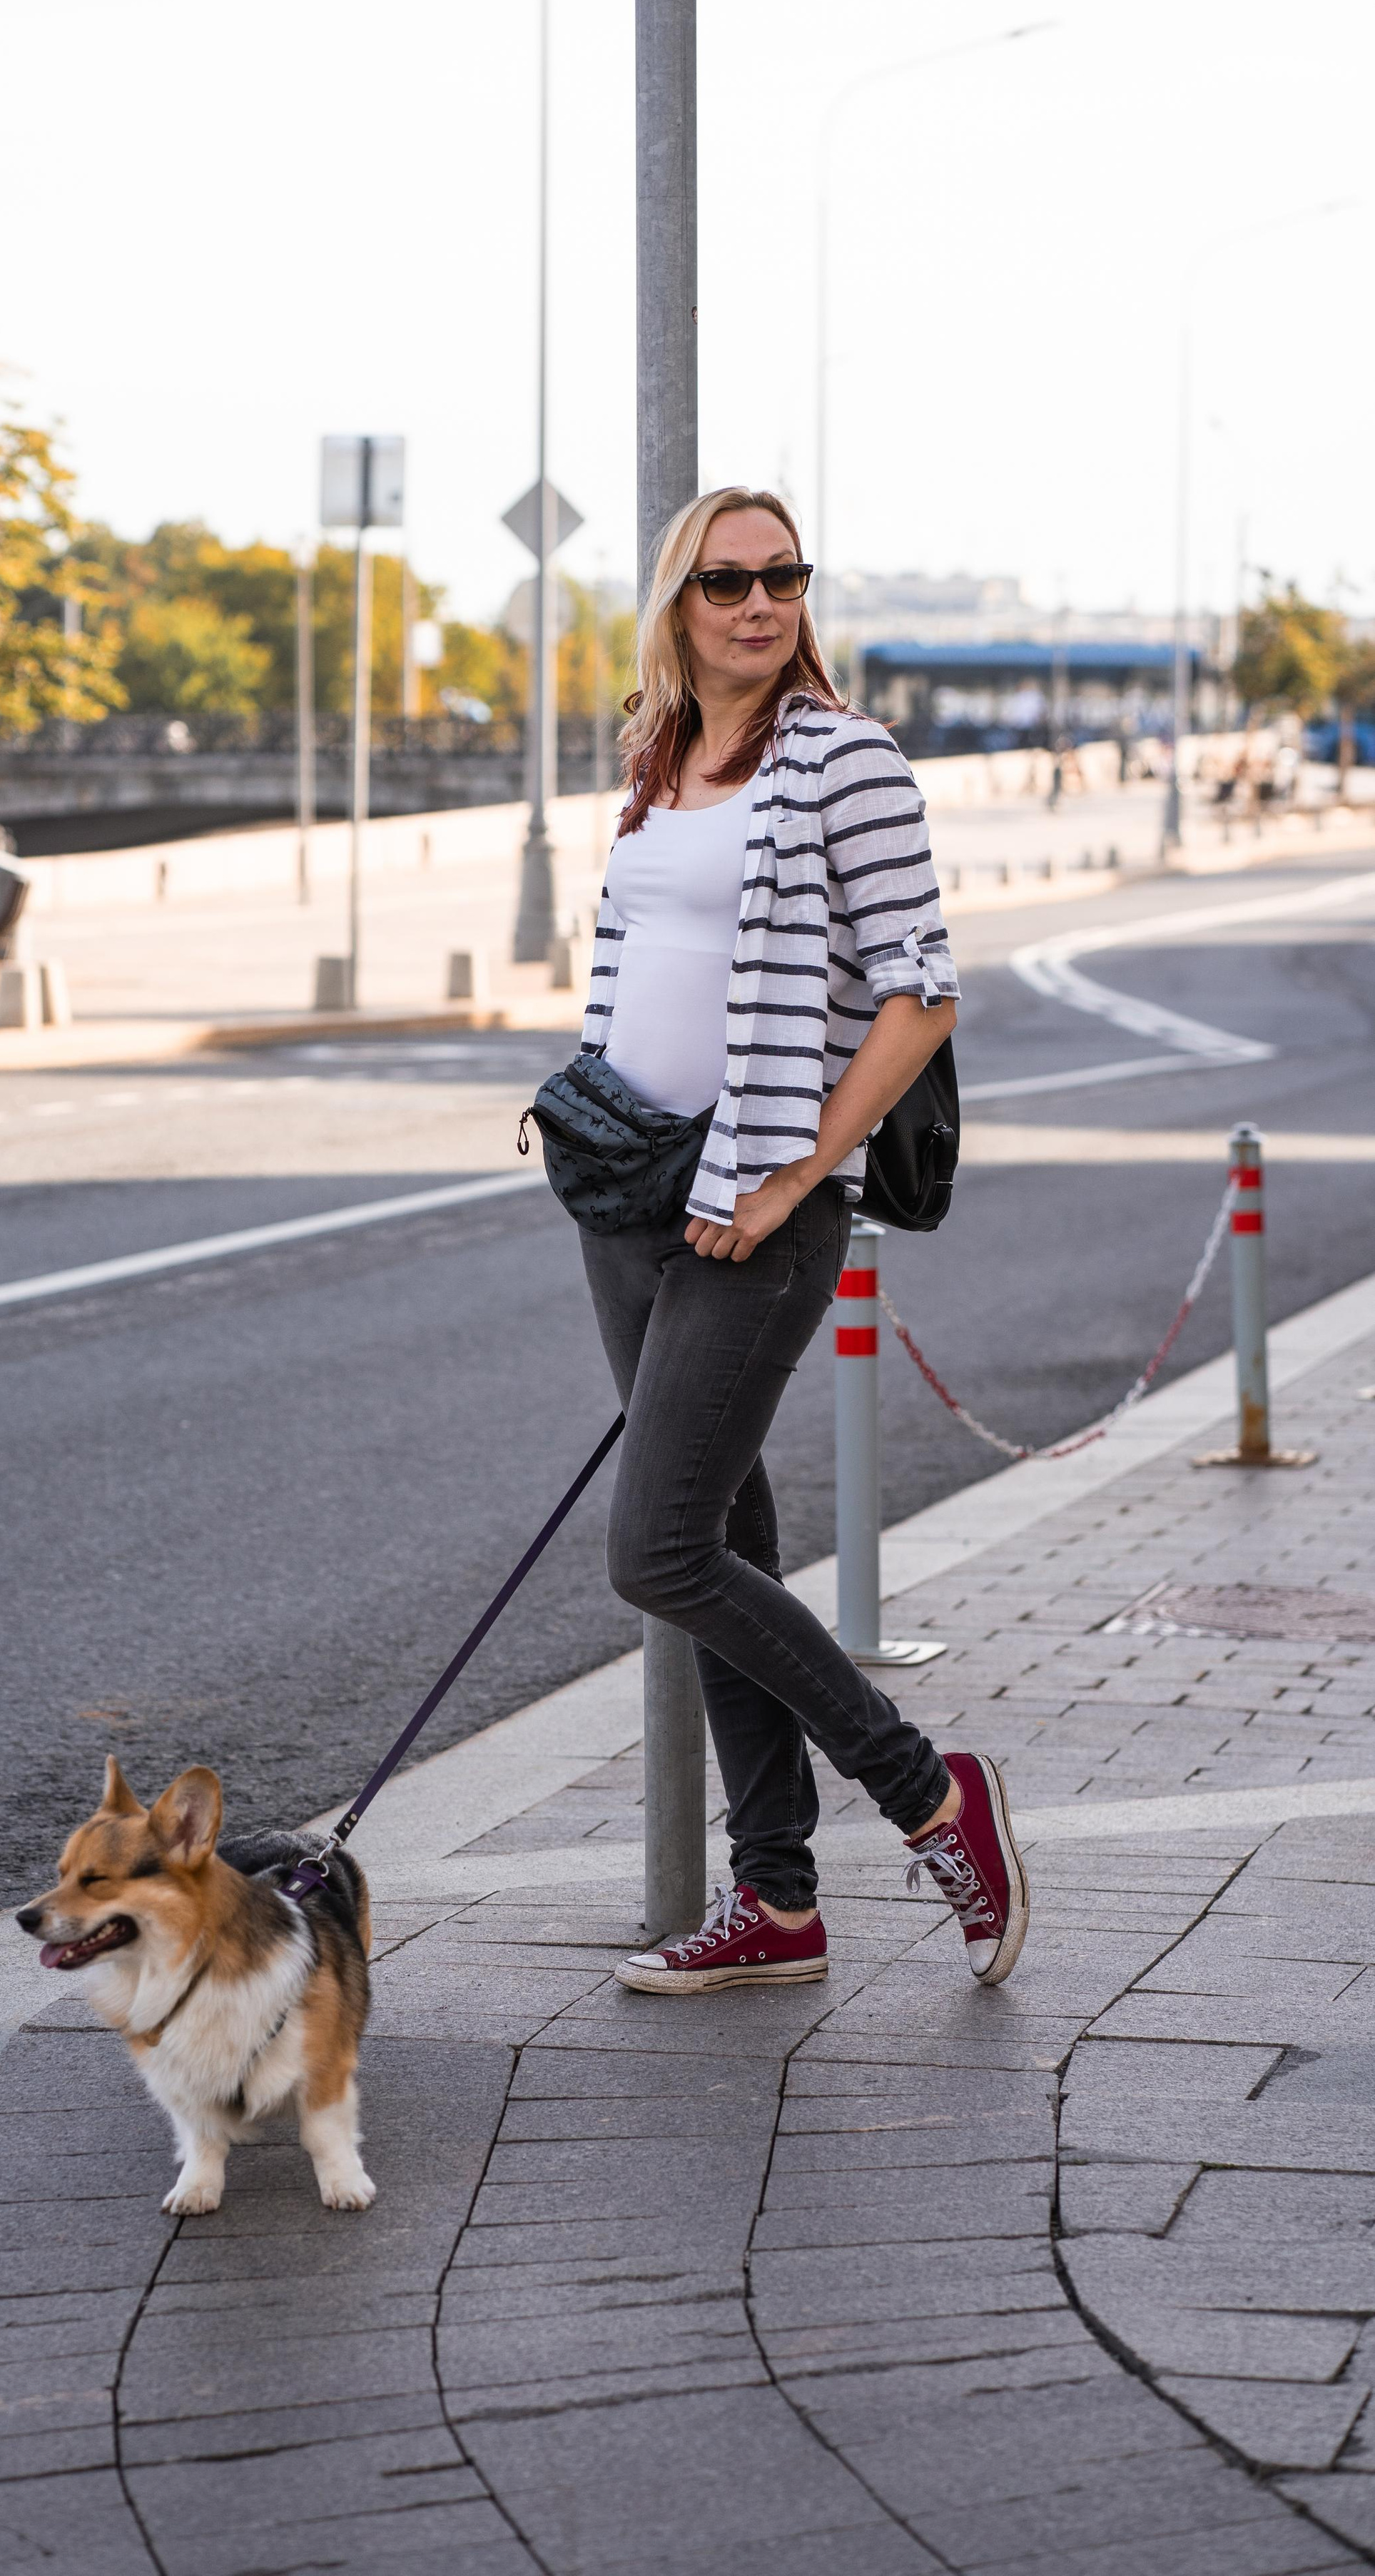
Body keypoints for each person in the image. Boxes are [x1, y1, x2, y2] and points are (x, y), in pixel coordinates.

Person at [572, 485, 1028, 1997]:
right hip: (628, 1191)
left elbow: (918, 990)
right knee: (722, 1541)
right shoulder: (655, 753)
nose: (757, 604)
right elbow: (646, 958)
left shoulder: (845, 759)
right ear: (676, 599)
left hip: (751, 1200)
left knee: (656, 1548)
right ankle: (773, 1903)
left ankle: (924, 1795)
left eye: (781, 577)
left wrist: (786, 1178)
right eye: (724, 581)